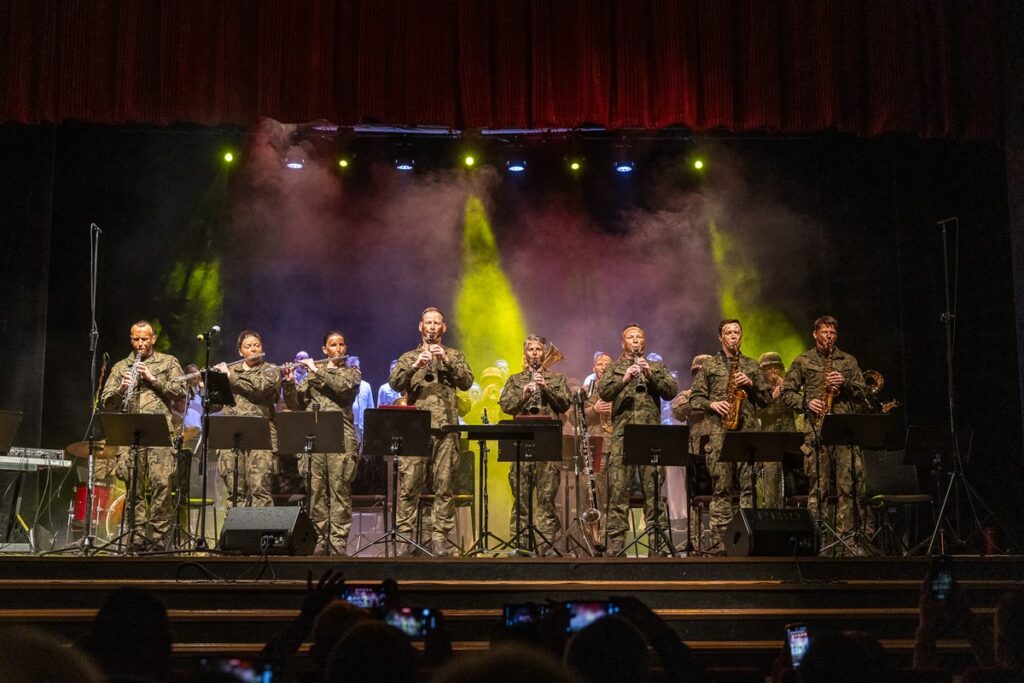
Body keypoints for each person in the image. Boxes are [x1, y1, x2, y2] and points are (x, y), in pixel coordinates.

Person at [388, 307, 474, 556]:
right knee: (409, 486)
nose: (433, 327)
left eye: (437, 323)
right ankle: (404, 540)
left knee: (444, 487)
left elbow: (467, 382)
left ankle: (439, 540)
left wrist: (446, 361)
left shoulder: (454, 355)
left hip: (446, 429)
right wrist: (416, 365)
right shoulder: (409, 357)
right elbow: (394, 382)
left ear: (443, 328)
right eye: (428, 323)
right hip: (415, 429)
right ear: (421, 327)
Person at [781, 316, 868, 550]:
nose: (829, 336)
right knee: (817, 489)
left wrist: (845, 382)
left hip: (844, 433)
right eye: (825, 332)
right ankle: (815, 542)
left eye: (832, 333)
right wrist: (807, 402)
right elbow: (786, 393)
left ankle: (846, 541)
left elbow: (863, 394)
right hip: (816, 432)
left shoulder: (848, 361)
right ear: (815, 334)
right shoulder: (803, 360)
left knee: (848, 488)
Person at [688, 320, 772, 554]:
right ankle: (721, 543)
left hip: (746, 434)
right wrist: (712, 404)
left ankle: (748, 538)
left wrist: (752, 384)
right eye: (729, 333)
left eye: (737, 332)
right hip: (719, 434)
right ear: (721, 338)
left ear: (741, 336)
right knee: (721, 489)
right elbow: (695, 399)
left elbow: (766, 400)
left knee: (749, 489)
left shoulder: (751, 365)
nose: (733, 336)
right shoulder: (709, 366)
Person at [99, 320, 185, 548]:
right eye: (136, 339)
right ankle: (135, 538)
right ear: (131, 339)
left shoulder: (168, 362)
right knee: (133, 489)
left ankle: (158, 540)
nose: (140, 344)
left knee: (161, 486)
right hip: (130, 436)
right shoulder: (121, 366)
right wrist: (121, 389)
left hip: (160, 435)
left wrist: (153, 379)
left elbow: (180, 392)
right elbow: (106, 402)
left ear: (153, 339)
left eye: (145, 339)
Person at [597, 324, 678, 556]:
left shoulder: (656, 366)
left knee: (653, 491)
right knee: (619, 491)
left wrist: (650, 375)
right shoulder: (614, 368)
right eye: (630, 337)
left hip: (650, 437)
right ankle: (616, 543)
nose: (635, 340)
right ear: (623, 343)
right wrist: (624, 379)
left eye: (639, 337)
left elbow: (671, 391)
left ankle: (656, 542)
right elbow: (604, 392)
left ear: (644, 342)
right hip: (622, 437)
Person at [282, 331, 361, 554]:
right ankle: (319, 539)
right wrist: (289, 382)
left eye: (341, 344)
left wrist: (317, 370)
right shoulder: (310, 376)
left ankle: (338, 541)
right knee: (315, 491)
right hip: (314, 438)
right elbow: (295, 404)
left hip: (341, 437)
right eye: (333, 345)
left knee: (339, 490)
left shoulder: (351, 373)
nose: (338, 348)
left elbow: (343, 389)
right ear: (325, 349)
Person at [498, 335, 572, 553]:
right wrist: (524, 395)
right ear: (525, 353)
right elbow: (506, 406)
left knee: (546, 498)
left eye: (538, 349)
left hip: (548, 445)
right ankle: (520, 545)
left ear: (543, 352)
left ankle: (545, 546)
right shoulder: (515, 380)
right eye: (530, 349)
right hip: (521, 444)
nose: (534, 353)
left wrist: (545, 388)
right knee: (521, 499)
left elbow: (565, 404)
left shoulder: (557, 379)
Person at [215, 330, 282, 509]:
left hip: (261, 436)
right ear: (240, 351)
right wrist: (207, 385)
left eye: (256, 345)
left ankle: (261, 528)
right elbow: (216, 405)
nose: (253, 349)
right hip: (232, 436)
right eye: (248, 346)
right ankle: (235, 528)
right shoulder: (229, 370)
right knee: (235, 491)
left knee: (260, 490)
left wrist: (230, 377)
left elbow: (259, 388)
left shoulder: (271, 370)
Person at [670, 353, 713, 551]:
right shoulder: (687, 394)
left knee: (722, 495)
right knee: (694, 498)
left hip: (719, 450)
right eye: (697, 372)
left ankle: (720, 540)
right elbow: (677, 412)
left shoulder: (720, 392)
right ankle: (694, 540)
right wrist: (700, 400)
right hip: (695, 452)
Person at [755, 351, 797, 508]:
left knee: (792, 476)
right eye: (768, 368)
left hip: (789, 436)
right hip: (769, 439)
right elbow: (756, 412)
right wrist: (772, 397)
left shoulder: (789, 386)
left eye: (776, 368)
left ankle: (792, 510)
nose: (773, 371)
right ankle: (772, 511)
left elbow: (799, 406)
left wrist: (785, 388)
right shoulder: (759, 390)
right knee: (771, 476)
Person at [347, 355, 375, 445]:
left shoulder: (366, 386)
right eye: (352, 367)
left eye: (356, 367)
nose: (355, 369)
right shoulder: (344, 385)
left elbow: (370, 407)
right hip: (348, 426)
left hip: (362, 426)